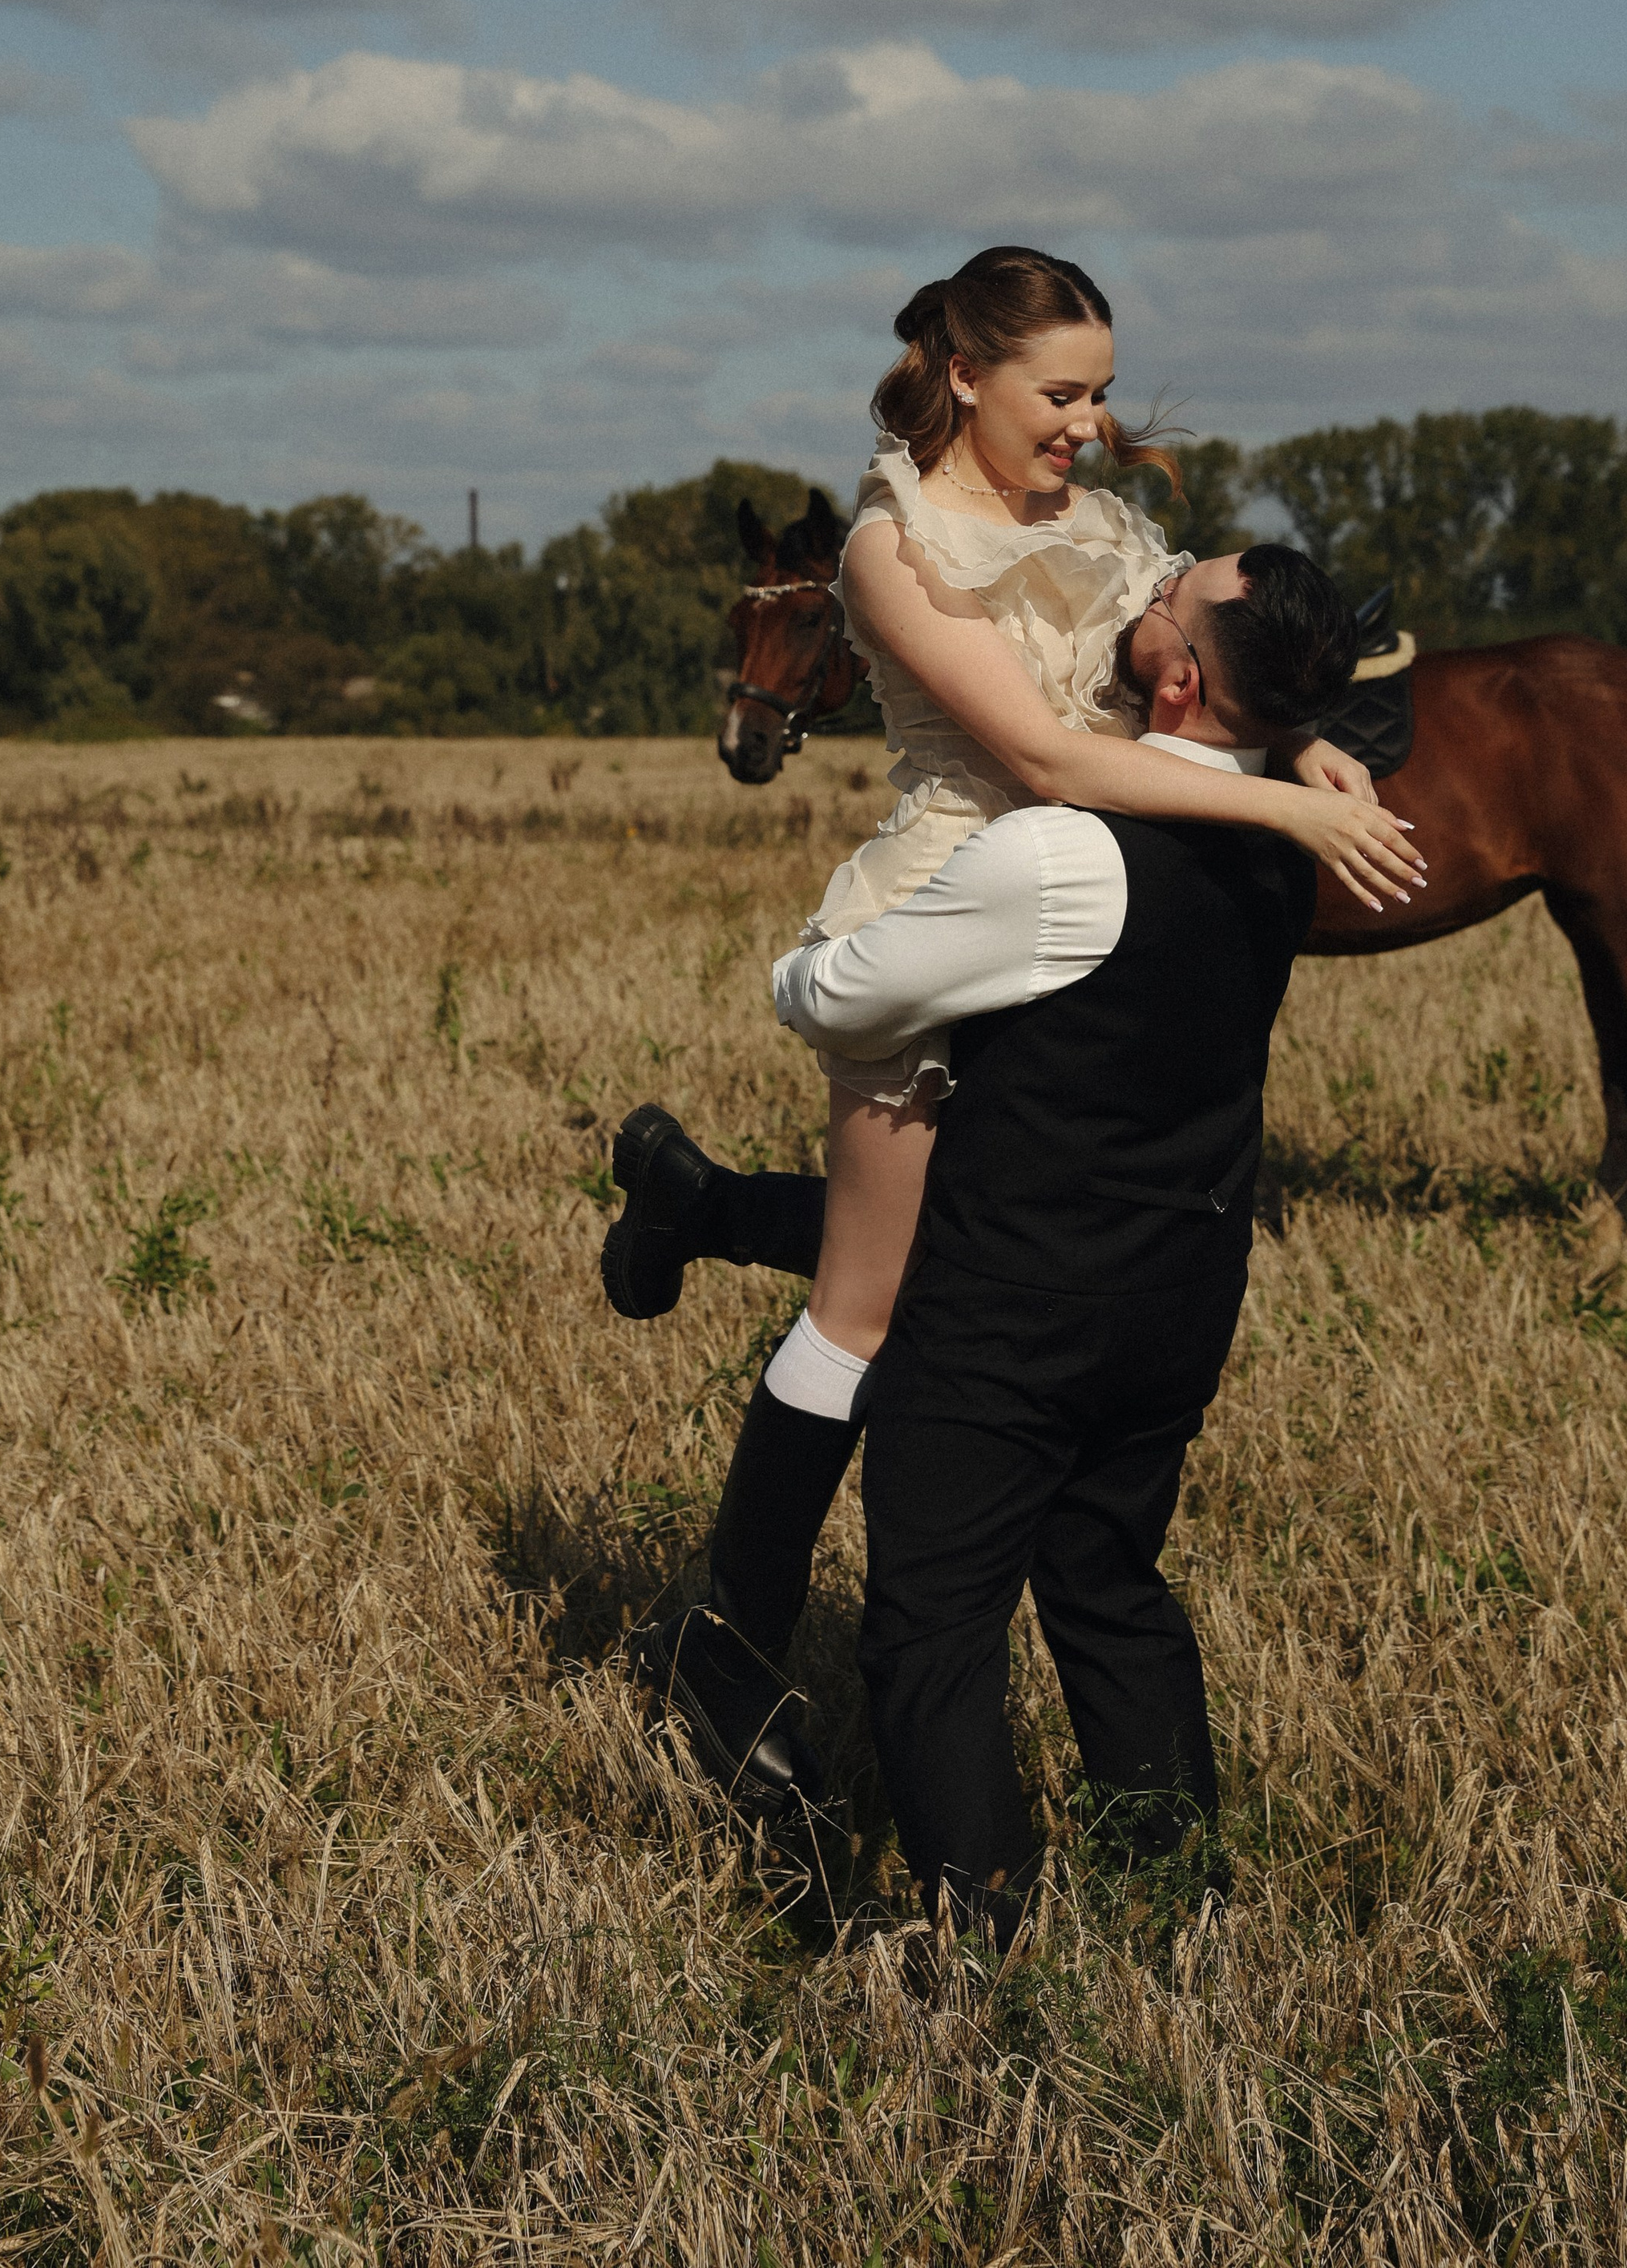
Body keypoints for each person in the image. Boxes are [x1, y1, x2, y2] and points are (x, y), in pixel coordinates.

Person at [604, 248, 1423, 1807]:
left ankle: (697, 1208)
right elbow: (1047, 756)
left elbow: (1194, 662)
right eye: (1063, 392)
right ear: (966, 375)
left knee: (980, 1250)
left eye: (1105, 390)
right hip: (959, 899)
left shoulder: (1103, 526)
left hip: (1097, 894)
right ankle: (729, 1652)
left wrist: (1303, 742)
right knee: (866, 1300)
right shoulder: (888, 552)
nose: (1090, 422)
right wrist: (1275, 805)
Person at [781, 547, 1353, 1941]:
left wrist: (808, 956)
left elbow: (840, 1001)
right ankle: (1173, 1897)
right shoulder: (1295, 841)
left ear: (1178, 676)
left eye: (1163, 598)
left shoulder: (1059, 856)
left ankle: (981, 1945)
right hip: (1182, 1295)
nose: (1140, 594)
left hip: (1012, 1306)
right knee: (1108, 1581)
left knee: (934, 1624)